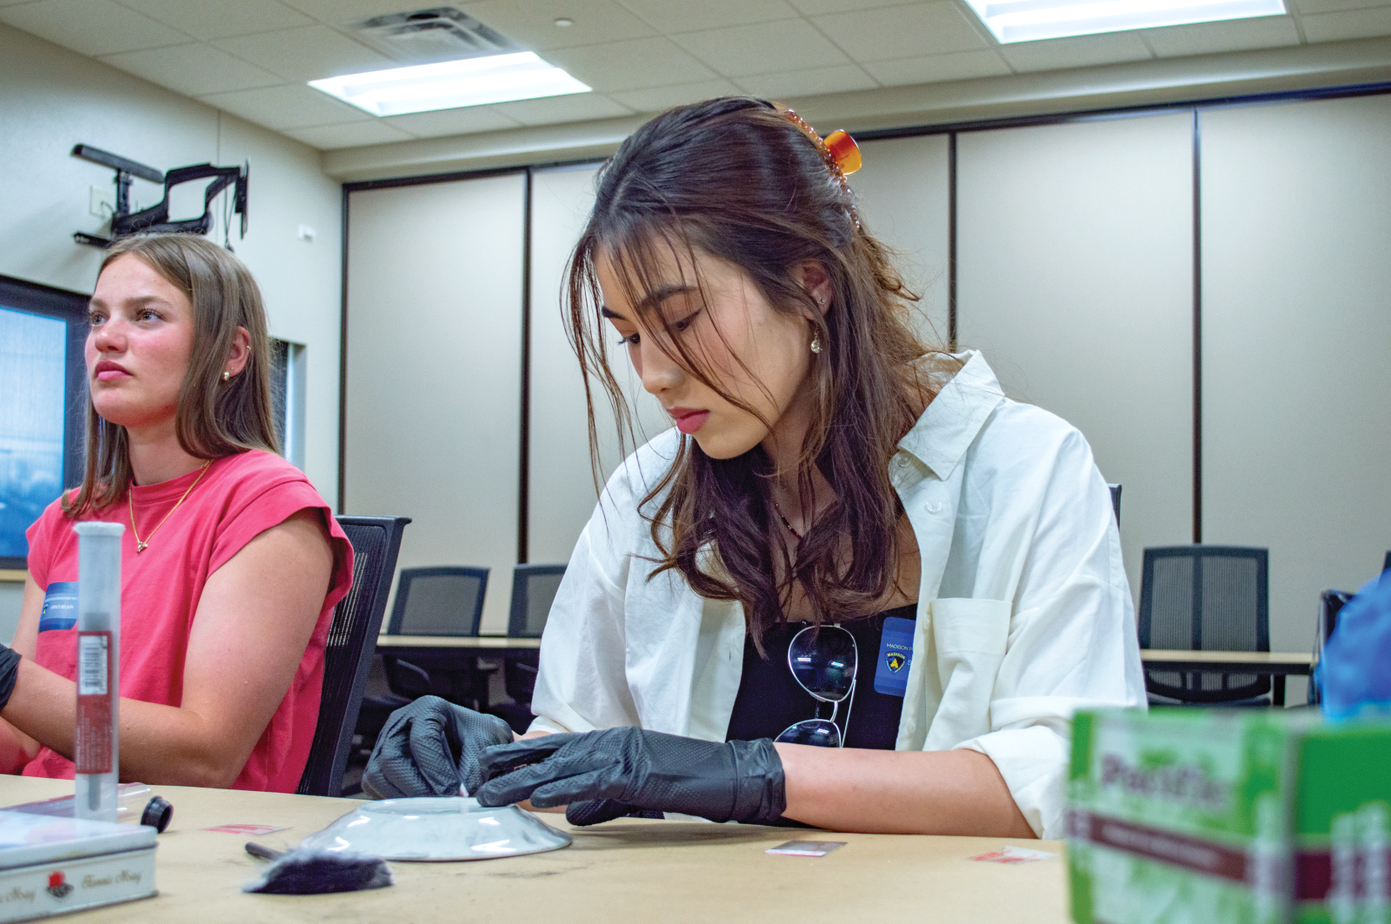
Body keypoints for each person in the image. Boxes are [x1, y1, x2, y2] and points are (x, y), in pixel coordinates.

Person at [364, 97, 1146, 838]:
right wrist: (494, 756)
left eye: (679, 320)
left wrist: (760, 776)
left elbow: (1071, 779)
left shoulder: (1027, 469)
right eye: (629, 335)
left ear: (810, 284)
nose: (654, 374)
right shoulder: (649, 492)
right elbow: (585, 733)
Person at [0, 233, 353, 791]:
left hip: (182, 839)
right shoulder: (69, 517)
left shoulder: (268, 504)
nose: (106, 338)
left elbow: (204, 754)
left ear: (231, 354)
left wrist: (4, 679)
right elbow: (18, 738)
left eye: (146, 316)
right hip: (47, 825)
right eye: (97, 318)